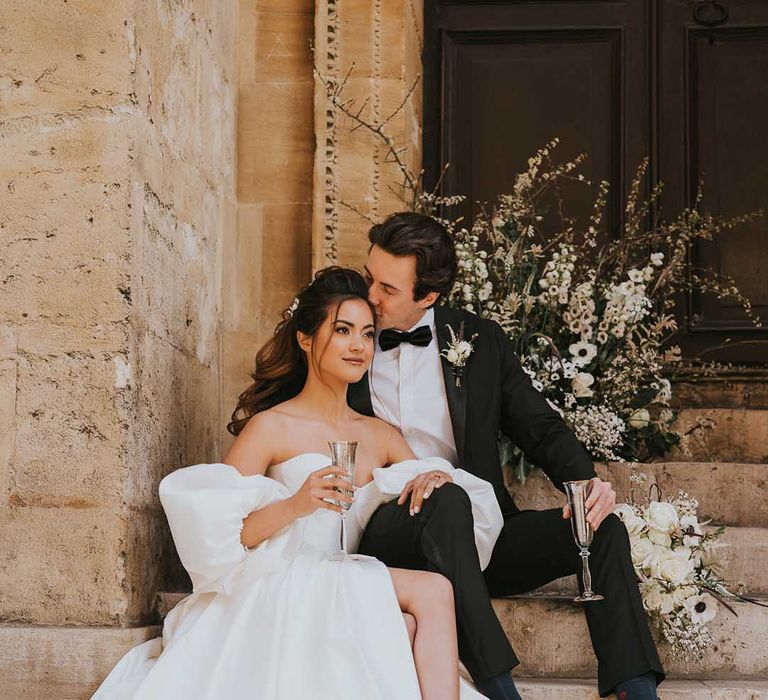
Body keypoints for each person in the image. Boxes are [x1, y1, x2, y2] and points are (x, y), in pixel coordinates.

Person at [91, 267, 500, 700]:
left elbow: (433, 493)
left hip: (347, 570)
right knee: (424, 600)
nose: (359, 346)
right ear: (306, 339)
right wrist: (297, 504)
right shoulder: (271, 427)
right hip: (282, 575)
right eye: (342, 331)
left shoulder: (382, 435)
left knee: (424, 604)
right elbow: (232, 535)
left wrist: (435, 476)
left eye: (366, 333)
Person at [348, 212, 666, 700]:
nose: (371, 296)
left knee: (601, 528)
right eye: (371, 277)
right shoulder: (348, 336)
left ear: (429, 296)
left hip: (479, 533)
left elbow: (538, 426)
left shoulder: (479, 341)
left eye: (388, 289)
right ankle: (499, 689)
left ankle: (636, 688)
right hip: (393, 531)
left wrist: (584, 485)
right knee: (445, 499)